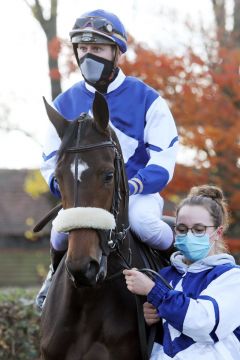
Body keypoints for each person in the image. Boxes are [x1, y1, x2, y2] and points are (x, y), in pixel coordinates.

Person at [36, 9, 178, 309]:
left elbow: (165, 157)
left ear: (117, 53)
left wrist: (137, 184)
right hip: (84, 197)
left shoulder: (148, 99)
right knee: (59, 235)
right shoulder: (65, 103)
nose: (89, 56)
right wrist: (66, 190)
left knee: (142, 223)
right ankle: (52, 279)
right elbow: (50, 159)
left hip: (137, 194)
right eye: (83, 49)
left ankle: (181, 270)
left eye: (97, 49)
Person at [123, 184, 240, 359]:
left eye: (199, 230)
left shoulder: (232, 277)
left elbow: (203, 323)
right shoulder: (164, 275)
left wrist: (154, 292)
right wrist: (154, 318)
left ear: (218, 232)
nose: (189, 235)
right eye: (182, 229)